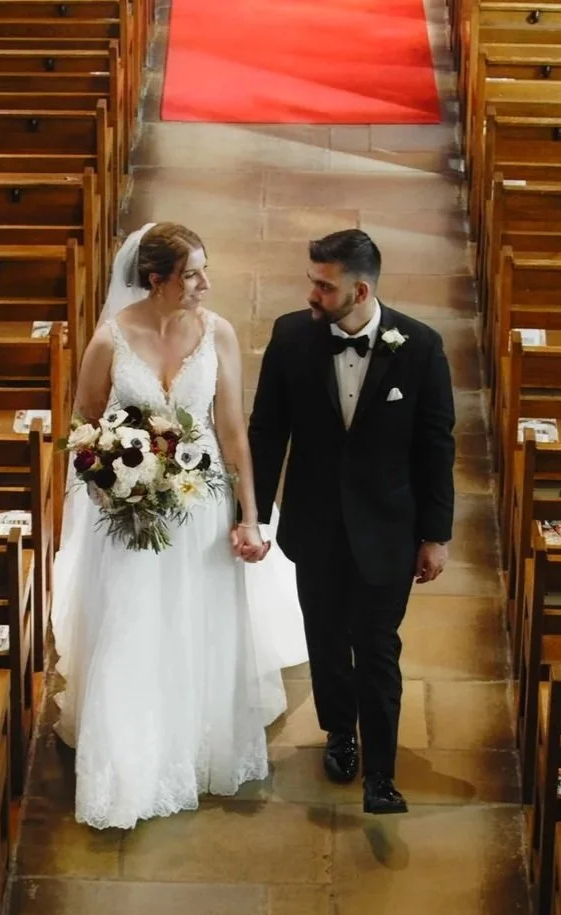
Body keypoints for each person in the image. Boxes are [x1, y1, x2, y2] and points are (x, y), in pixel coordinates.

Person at [50, 222, 306, 830]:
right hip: (128, 512)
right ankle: (129, 756)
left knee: (196, 617)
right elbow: (86, 427)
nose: (205, 285)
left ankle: (196, 733)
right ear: (157, 279)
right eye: (193, 275)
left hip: (200, 501)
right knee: (133, 617)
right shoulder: (110, 340)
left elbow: (234, 432)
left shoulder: (216, 332)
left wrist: (251, 516)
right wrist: (110, 481)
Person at [248, 229, 457, 814]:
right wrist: (255, 516)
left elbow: (436, 446)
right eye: (312, 280)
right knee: (325, 640)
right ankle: (341, 733)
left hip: (388, 531)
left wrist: (435, 535)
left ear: (360, 289)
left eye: (323, 284)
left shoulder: (420, 346)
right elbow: (268, 432)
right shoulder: (291, 337)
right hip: (314, 526)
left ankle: (382, 773)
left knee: (377, 646)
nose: (311, 293)